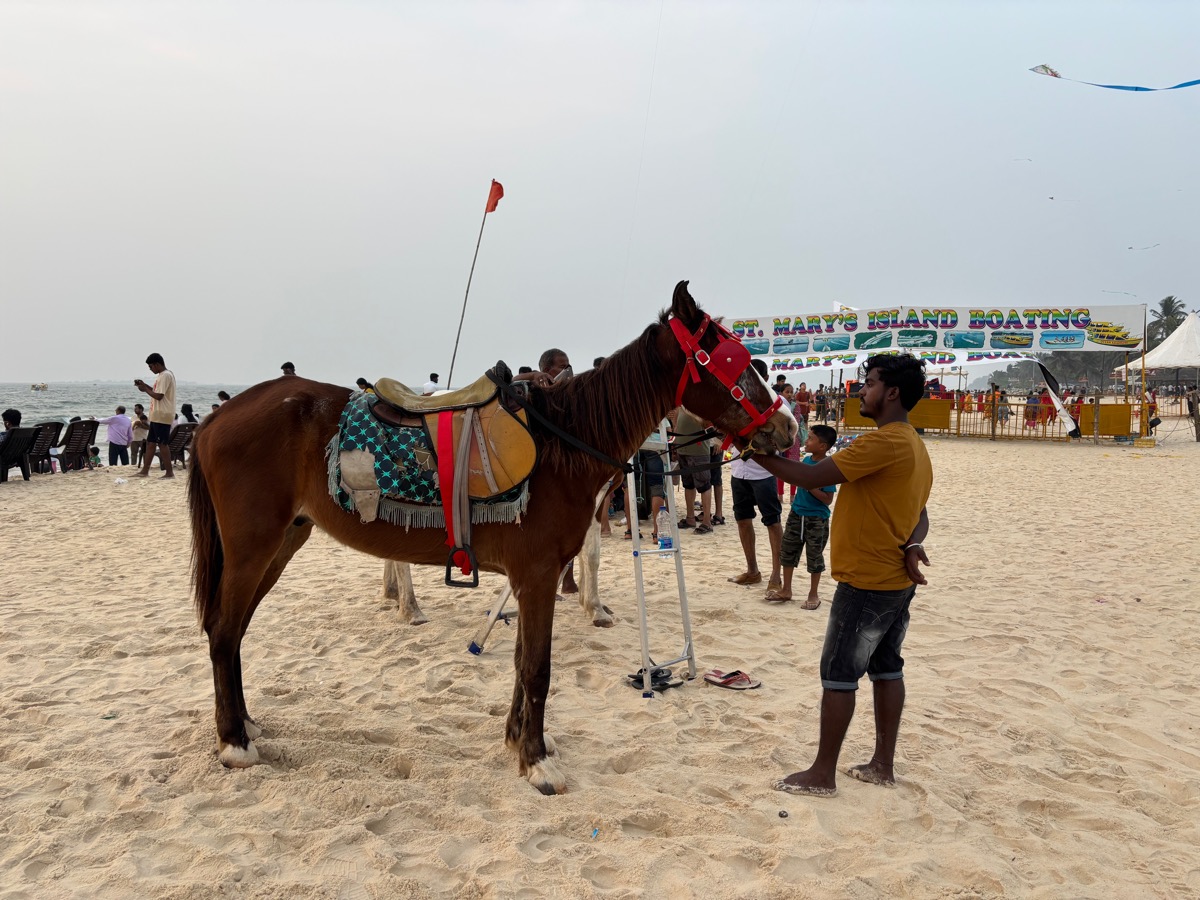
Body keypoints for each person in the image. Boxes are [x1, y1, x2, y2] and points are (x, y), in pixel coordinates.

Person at [755, 353, 932, 798]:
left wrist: (754, 452)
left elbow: (808, 475)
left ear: (892, 392)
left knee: (838, 673)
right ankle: (882, 765)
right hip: (895, 580)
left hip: (867, 580)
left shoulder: (883, 443)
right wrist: (913, 544)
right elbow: (921, 512)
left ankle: (822, 774)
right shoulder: (913, 444)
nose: (861, 390)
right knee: (887, 668)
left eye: (869, 383)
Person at [727, 362, 784, 594]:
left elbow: (781, 438)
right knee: (742, 519)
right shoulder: (735, 402)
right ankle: (752, 570)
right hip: (738, 469)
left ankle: (776, 575)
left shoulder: (777, 403)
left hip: (763, 472)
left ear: (765, 378)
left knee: (772, 521)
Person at [770, 424, 838, 608]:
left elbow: (828, 499)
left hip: (816, 519)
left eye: (810, 438)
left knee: (814, 557)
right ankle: (786, 590)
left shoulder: (827, 467)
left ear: (822, 446)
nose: (806, 441)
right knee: (787, 551)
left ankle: (813, 594)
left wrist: (810, 486)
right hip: (796, 514)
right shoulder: (806, 460)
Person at [134, 352, 177, 478]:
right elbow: (156, 392)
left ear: (157, 364)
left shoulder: (165, 375)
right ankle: (145, 471)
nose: (150, 369)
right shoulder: (163, 375)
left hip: (162, 414)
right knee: (151, 443)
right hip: (157, 415)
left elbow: (159, 396)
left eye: (151, 366)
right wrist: (145, 386)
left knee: (162, 444)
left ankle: (169, 472)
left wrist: (145, 389)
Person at [673, 407, 715, 534]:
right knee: (688, 484)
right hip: (682, 446)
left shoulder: (702, 401)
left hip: (698, 448)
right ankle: (690, 517)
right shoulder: (682, 402)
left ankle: (707, 521)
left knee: (704, 484)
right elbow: (676, 417)